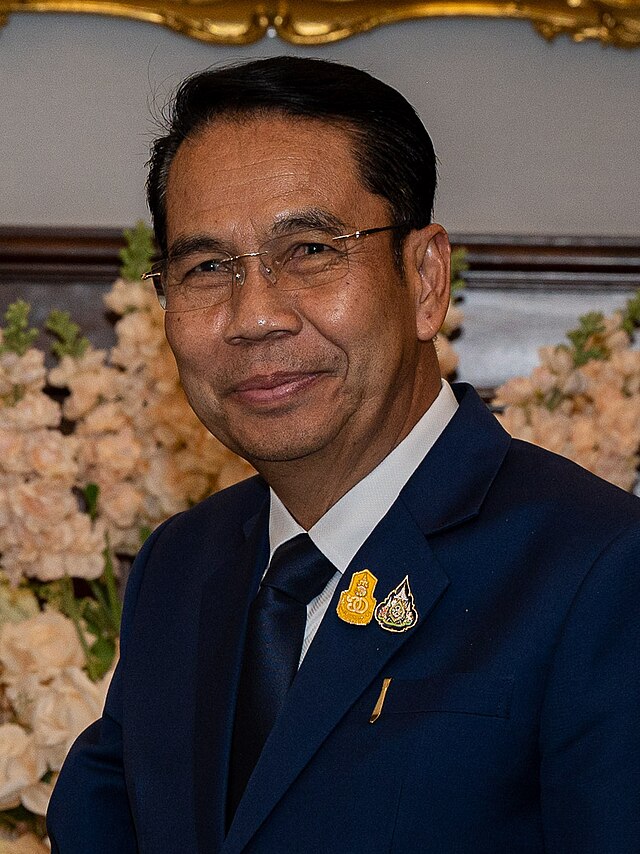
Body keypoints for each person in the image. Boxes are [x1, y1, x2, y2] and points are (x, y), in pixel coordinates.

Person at [47, 57, 640, 853]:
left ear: (426, 279)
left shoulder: (599, 570)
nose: (254, 317)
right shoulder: (180, 568)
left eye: (312, 251)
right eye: (206, 268)